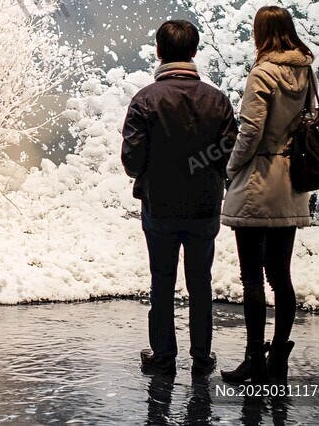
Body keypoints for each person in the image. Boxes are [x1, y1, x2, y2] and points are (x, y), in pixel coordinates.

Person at [121, 20, 238, 376]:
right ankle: (202, 357)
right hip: (204, 206)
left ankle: (163, 356)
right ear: (194, 51)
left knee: (162, 279)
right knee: (201, 280)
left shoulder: (145, 100)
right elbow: (230, 152)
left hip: (160, 206)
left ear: (159, 51)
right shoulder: (216, 99)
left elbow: (131, 161)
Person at [220, 5, 315, 386]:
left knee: (252, 278)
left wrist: (231, 168)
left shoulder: (262, 73)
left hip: (259, 180)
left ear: (262, 33)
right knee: (281, 275)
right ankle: (278, 355)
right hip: (290, 181)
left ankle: (253, 360)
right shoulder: (306, 71)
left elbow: (250, 131)